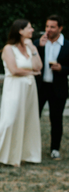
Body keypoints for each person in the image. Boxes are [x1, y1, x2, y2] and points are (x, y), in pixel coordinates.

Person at [0, 20, 43, 168]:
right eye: (29, 28)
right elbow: (14, 70)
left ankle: (20, 155)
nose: (32, 30)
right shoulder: (8, 49)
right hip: (14, 88)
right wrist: (32, 72)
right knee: (9, 120)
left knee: (27, 120)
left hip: (29, 89)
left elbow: (39, 65)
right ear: (20, 31)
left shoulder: (29, 47)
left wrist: (32, 48)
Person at [36, 14, 67, 159]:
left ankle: (55, 149)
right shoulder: (38, 43)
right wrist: (40, 47)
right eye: (47, 26)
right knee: (34, 117)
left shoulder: (67, 45)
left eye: (52, 27)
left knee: (56, 119)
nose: (48, 30)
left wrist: (62, 68)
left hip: (58, 88)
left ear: (60, 28)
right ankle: (32, 147)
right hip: (40, 87)